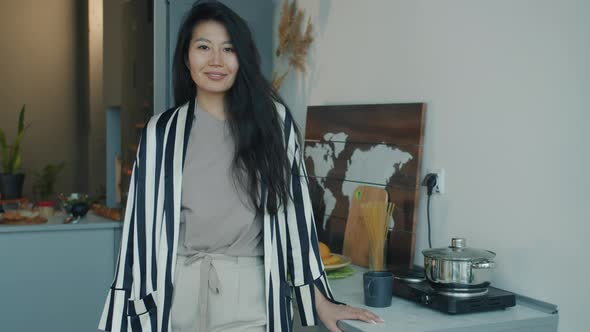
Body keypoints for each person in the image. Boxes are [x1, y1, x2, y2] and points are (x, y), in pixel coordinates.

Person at [98, 2, 382, 331]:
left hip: (251, 303)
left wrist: (321, 300)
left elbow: (297, 216)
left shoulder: (273, 123)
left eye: (228, 49)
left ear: (241, 59)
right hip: (174, 302)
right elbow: (138, 232)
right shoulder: (161, 132)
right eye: (204, 47)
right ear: (186, 56)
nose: (216, 60)